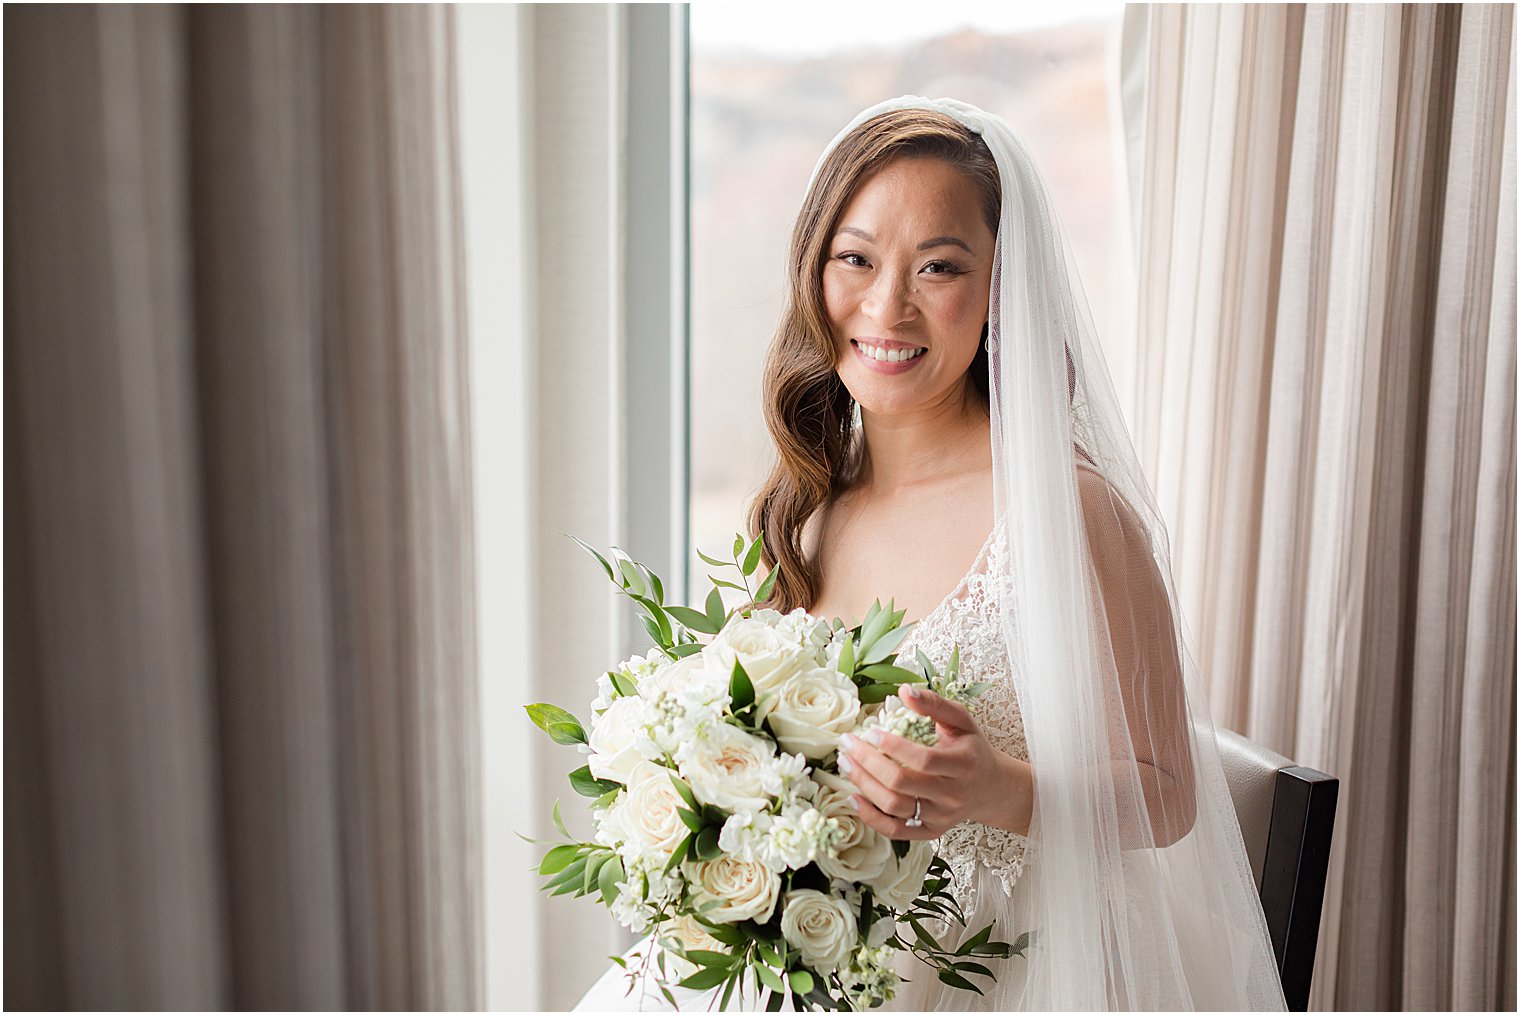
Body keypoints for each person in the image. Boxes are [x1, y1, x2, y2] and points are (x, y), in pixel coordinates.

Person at [576, 96, 1286, 1011]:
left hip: (1000, 966)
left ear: (999, 289)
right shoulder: (809, 505)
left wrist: (998, 787)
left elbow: (1168, 793)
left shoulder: (1071, 512)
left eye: (939, 267)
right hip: (820, 959)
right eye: (856, 258)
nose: (886, 306)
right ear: (814, 269)